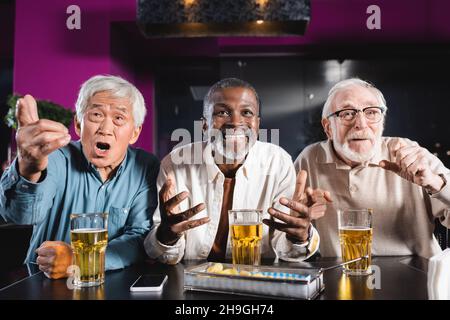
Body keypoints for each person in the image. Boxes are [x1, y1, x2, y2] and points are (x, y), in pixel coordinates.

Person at [144, 78, 331, 265]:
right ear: (204, 125)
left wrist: (299, 236)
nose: (235, 122)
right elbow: (164, 255)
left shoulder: (278, 163)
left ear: (257, 124)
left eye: (246, 112)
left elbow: (286, 251)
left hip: (257, 284)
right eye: (222, 112)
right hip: (193, 283)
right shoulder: (175, 164)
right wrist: (167, 235)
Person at [0, 75, 159, 278]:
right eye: (96, 115)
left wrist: (81, 260)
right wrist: (29, 167)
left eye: (119, 118)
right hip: (42, 282)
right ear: (77, 124)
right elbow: (21, 216)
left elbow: (139, 237)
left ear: (135, 133)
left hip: (111, 285)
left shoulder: (146, 166)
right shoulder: (55, 156)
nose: (105, 129)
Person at [294, 78, 450, 258]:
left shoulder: (409, 153)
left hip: (419, 278)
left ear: (382, 121)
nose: (361, 123)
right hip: (341, 277)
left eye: (372, 112)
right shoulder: (309, 159)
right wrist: (299, 230)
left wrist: (435, 183)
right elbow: (291, 238)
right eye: (347, 113)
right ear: (328, 127)